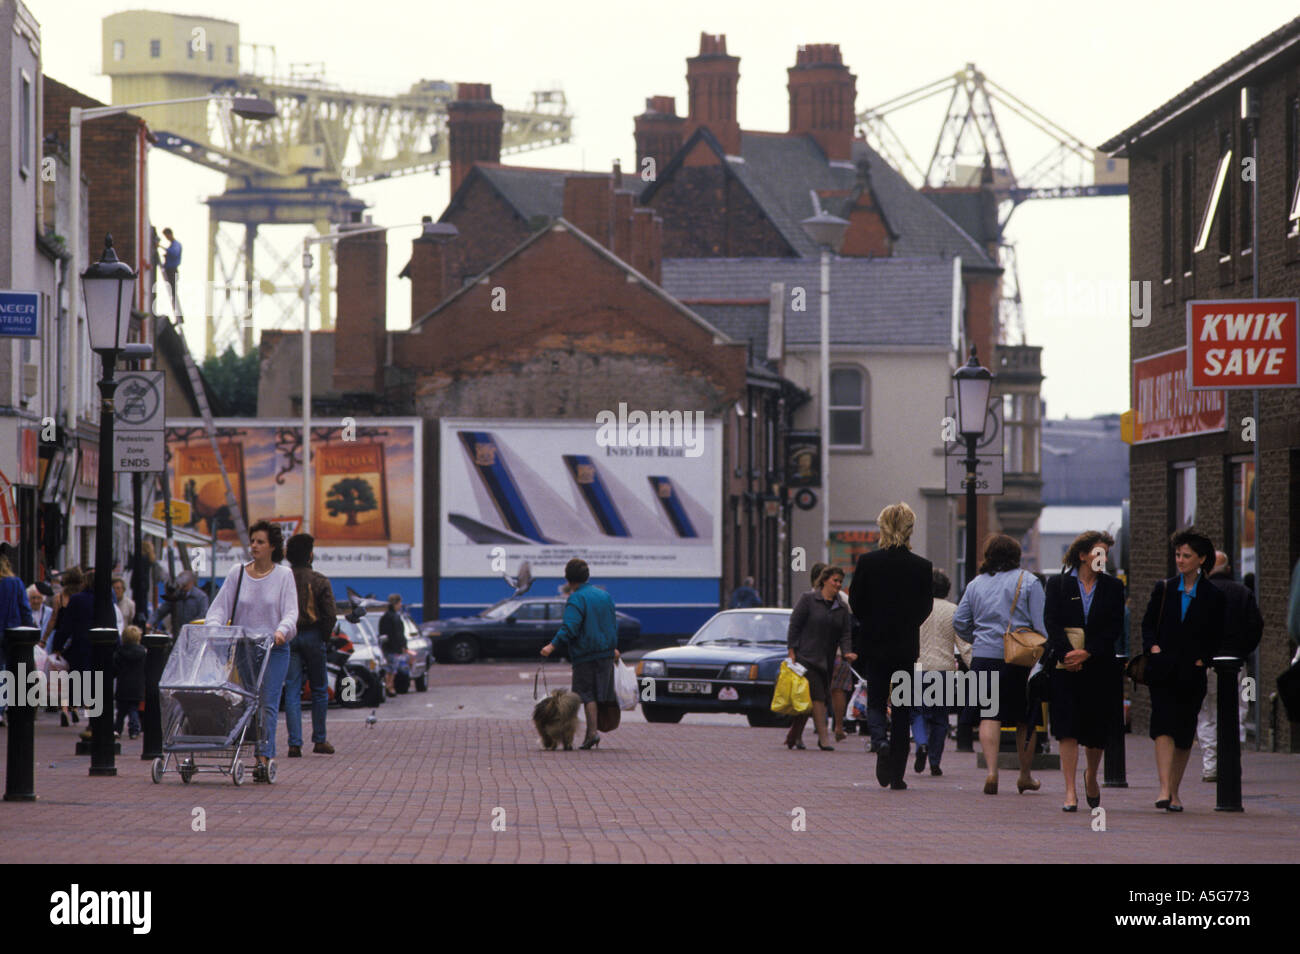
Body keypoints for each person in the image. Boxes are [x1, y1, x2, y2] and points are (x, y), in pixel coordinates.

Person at [953, 533, 1046, 796]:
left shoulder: (975, 584)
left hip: (983, 657)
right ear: (1016, 556)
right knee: (1024, 719)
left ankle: (992, 772)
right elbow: (1041, 625)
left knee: (988, 714)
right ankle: (1024, 775)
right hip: (1019, 658)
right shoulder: (1028, 581)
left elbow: (960, 621)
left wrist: (978, 639)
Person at [849, 502, 934, 790]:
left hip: (874, 643)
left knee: (875, 701)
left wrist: (872, 623)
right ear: (910, 529)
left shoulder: (867, 562)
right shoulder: (922, 567)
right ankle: (897, 774)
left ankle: (878, 741)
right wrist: (906, 624)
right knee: (901, 707)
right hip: (905, 645)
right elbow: (925, 608)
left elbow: (856, 603)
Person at [205, 521, 298, 782]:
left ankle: (263, 757)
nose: (254, 546)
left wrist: (282, 630)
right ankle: (245, 749)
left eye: (259, 542)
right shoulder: (238, 573)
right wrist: (214, 628)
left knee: (267, 703)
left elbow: (291, 611)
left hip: (273, 647)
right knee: (247, 702)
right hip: (244, 646)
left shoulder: (283, 576)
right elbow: (220, 606)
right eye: (252, 541)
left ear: (272, 547)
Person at [1141, 527, 1226, 813]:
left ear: (1201, 559)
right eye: (1177, 555)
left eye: (1186, 556)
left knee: (1184, 730)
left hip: (1192, 672)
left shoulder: (1213, 595)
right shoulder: (1163, 588)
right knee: (1162, 724)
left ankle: (1175, 791)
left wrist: (1205, 658)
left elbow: (1219, 633)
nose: (1180, 560)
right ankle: (1164, 788)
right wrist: (1153, 648)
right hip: (1163, 670)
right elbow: (1147, 625)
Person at [1044, 531, 1124, 812]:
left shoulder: (1113, 587)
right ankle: (1069, 791)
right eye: (1098, 552)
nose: (1102, 558)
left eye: (1106, 553)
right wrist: (1068, 653)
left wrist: (1087, 651)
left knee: (1094, 730)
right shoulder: (1058, 585)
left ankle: (1091, 774)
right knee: (1066, 728)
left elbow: (1114, 627)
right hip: (1065, 668)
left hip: (1098, 667)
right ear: (1082, 555)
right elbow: (1051, 622)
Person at [540, 558, 620, 750]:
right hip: (606, 652)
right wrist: (613, 647)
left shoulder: (576, 598)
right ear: (587, 576)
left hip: (586, 654)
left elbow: (570, 627)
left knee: (586, 693)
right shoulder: (604, 596)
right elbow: (612, 623)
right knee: (600, 692)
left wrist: (552, 646)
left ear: (568, 580)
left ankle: (592, 734)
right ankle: (592, 733)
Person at [1199, 551, 1263, 782]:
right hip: (1237, 665)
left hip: (1206, 665)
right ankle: (1232, 762)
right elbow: (1256, 627)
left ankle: (1211, 766)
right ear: (1228, 569)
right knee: (1239, 710)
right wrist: (1242, 652)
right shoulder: (1243, 592)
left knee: (1207, 714)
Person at [784, 565, 855, 751]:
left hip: (827, 658)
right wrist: (791, 651)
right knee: (818, 697)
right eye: (835, 580)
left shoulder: (841, 606)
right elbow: (795, 625)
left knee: (806, 701)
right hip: (806, 657)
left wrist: (847, 652)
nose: (838, 584)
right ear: (824, 580)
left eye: (840, 581)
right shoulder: (808, 600)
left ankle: (794, 736)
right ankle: (824, 738)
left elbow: (845, 633)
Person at [911, 568, 970, 776]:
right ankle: (935, 761)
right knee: (940, 718)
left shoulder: (916, 607)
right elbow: (963, 645)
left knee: (917, 712)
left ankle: (921, 743)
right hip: (945, 669)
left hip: (918, 667)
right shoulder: (954, 610)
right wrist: (974, 665)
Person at [283, 533, 336, 757]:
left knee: (292, 690)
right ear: (310, 555)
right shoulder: (320, 580)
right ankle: (320, 739)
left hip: (289, 634)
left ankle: (295, 743)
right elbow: (330, 614)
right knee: (319, 689)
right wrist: (324, 637)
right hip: (314, 635)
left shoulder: (282, 579)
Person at [0, 549, 35, 726]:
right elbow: (24, 608)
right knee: (6, 671)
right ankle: (1, 707)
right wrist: (30, 629)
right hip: (12, 632)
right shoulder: (15, 583)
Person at [147, 571, 209, 635]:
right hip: (177, 633)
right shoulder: (176, 595)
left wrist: (190, 626)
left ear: (191, 583)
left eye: (185, 585)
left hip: (195, 633)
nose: (183, 587)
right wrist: (149, 623)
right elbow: (161, 611)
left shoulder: (201, 597)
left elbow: (203, 615)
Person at [113, 624, 147, 739]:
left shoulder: (119, 652)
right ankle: (134, 730)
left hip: (123, 685)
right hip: (137, 687)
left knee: (121, 711)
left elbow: (115, 669)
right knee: (134, 710)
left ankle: (117, 729)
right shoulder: (143, 653)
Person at [379, 593, 407, 698]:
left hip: (389, 646)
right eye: (400, 603)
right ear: (396, 603)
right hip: (393, 647)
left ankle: (389, 686)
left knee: (391, 668)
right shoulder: (394, 617)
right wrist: (402, 645)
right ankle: (389, 686)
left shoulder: (386, 616)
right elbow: (398, 633)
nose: (401, 605)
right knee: (391, 668)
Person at [159, 227, 183, 319]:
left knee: (173, 292)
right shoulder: (173, 244)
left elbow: (174, 253)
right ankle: (178, 315)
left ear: (170, 234)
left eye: (166, 236)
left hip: (172, 270)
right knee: (172, 292)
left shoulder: (176, 245)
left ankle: (179, 316)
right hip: (170, 270)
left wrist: (160, 246)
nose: (166, 238)